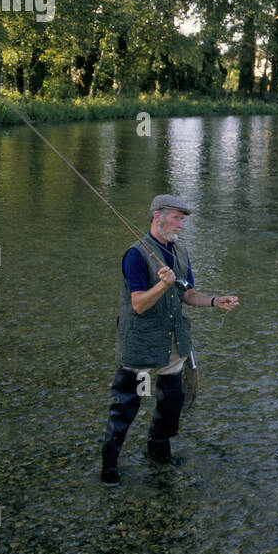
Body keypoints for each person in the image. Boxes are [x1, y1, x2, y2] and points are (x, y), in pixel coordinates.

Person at [101, 194, 238, 485]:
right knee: (126, 407)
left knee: (170, 405)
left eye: (182, 219)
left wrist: (215, 301)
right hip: (140, 347)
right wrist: (162, 285)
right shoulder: (135, 255)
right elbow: (138, 304)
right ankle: (109, 467)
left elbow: (187, 294)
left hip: (174, 344)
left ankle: (159, 454)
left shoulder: (181, 252)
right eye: (176, 217)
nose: (180, 224)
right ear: (157, 217)